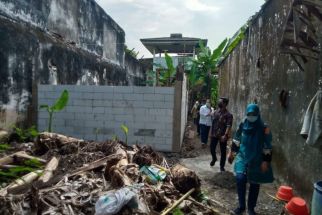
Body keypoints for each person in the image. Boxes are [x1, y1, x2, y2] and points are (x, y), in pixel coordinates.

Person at [229, 104, 274, 215]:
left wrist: (265, 161)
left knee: (254, 183)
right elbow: (236, 139)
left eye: (254, 114)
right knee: (240, 179)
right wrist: (232, 153)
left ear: (258, 114)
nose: (251, 116)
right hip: (242, 157)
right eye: (249, 114)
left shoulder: (264, 128)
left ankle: (251, 208)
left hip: (257, 159)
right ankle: (241, 206)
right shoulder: (243, 124)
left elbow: (267, 145)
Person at [210, 97, 233, 172]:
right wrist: (211, 133)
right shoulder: (216, 112)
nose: (219, 102)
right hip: (214, 134)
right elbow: (213, 123)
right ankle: (214, 158)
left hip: (223, 135)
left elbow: (228, 126)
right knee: (211, 148)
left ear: (225, 104)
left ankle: (221, 167)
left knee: (223, 152)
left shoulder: (228, 115)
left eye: (220, 102)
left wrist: (225, 135)